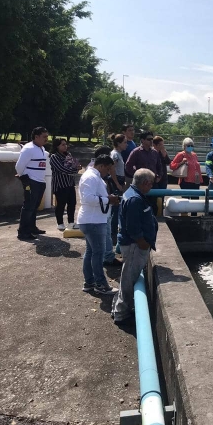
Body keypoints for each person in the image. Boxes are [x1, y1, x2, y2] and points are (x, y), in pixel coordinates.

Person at [111, 168, 158, 325]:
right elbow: (133, 227)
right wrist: (142, 243)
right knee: (129, 279)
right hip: (134, 246)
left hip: (133, 245)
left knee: (127, 276)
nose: (151, 187)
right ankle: (121, 312)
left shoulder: (132, 193)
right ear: (145, 183)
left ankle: (118, 307)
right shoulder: (135, 199)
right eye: (151, 184)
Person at [76, 155, 120, 295]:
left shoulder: (93, 176)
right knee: (97, 254)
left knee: (91, 252)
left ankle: (89, 282)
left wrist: (107, 198)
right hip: (93, 220)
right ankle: (101, 284)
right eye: (107, 169)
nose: (108, 172)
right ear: (101, 166)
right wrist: (108, 199)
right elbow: (88, 198)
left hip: (92, 219)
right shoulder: (91, 177)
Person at [15, 126, 49, 240]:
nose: (46, 139)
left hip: (40, 182)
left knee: (34, 206)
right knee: (28, 206)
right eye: (44, 137)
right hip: (31, 182)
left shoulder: (41, 148)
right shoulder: (28, 148)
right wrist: (25, 178)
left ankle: (32, 227)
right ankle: (23, 232)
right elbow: (19, 166)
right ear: (36, 137)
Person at [125, 131, 162, 215]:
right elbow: (128, 166)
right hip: (140, 184)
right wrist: (137, 176)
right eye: (149, 139)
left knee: (153, 205)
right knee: (141, 205)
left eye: (152, 139)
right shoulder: (136, 152)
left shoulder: (155, 153)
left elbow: (160, 167)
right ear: (142, 140)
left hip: (153, 183)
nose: (151, 141)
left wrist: (159, 177)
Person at [49, 138, 80, 230]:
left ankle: (71, 222)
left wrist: (75, 169)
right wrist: (74, 170)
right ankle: (60, 223)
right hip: (60, 185)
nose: (65, 146)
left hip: (70, 184)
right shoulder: (54, 157)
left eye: (65, 144)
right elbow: (62, 169)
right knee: (61, 204)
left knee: (72, 203)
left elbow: (77, 166)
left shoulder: (68, 155)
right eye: (62, 144)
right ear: (57, 146)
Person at [170, 137, 202, 215]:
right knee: (186, 200)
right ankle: (185, 217)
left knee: (195, 201)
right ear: (184, 146)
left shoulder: (194, 155)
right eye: (188, 145)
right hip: (185, 181)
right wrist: (181, 162)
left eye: (191, 145)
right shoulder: (181, 154)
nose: (190, 147)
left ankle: (194, 217)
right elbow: (172, 166)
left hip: (196, 181)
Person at [110, 134, 128, 246]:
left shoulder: (119, 154)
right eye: (125, 142)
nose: (126, 144)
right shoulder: (115, 154)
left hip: (120, 180)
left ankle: (114, 232)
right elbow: (111, 169)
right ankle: (113, 234)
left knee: (117, 208)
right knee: (115, 209)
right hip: (116, 182)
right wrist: (117, 183)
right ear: (118, 143)